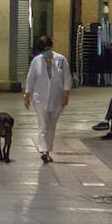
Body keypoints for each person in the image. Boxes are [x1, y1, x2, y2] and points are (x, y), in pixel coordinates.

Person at [23, 34, 71, 163]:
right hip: (40, 97)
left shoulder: (61, 60)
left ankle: (48, 149)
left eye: (48, 49)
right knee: (43, 125)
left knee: (51, 125)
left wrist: (66, 94)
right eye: (44, 51)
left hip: (57, 97)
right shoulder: (36, 61)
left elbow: (67, 77)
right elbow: (30, 79)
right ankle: (43, 150)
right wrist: (27, 95)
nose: (47, 53)